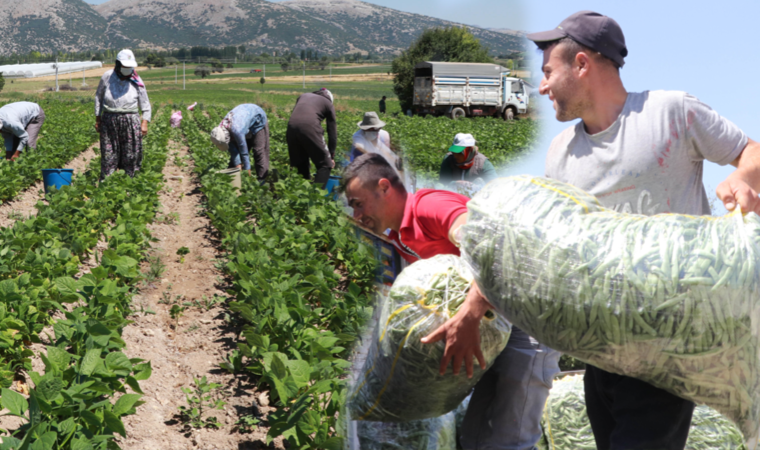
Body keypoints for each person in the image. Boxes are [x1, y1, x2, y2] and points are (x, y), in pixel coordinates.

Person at [529, 10, 760, 450]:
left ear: (581, 64)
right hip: (600, 348)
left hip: (666, 341)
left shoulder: (670, 112)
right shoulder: (560, 152)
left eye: (547, 72)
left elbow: (751, 151)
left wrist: (743, 181)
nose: (542, 86)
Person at [343, 153, 560, 450]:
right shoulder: (401, 236)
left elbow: (491, 246)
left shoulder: (429, 207)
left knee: (511, 435)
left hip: (527, 316)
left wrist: (469, 316)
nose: (357, 215)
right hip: (495, 325)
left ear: (384, 187)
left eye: (358, 204)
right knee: (474, 438)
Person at [94, 49, 151, 180]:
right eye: (125, 65)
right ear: (118, 64)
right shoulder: (107, 76)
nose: (127, 68)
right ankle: (108, 184)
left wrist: (144, 122)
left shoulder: (136, 80)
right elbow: (99, 98)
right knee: (109, 155)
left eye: (129, 66)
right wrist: (98, 119)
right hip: (109, 121)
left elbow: (145, 102)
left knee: (131, 155)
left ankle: (129, 183)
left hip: (130, 120)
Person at [286, 88, 336, 187]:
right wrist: (331, 156)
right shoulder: (328, 103)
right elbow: (332, 132)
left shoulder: (303, 96)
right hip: (310, 126)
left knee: (300, 163)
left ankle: (301, 192)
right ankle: (315, 197)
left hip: (291, 127)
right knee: (325, 165)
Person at [209, 104, 270, 182]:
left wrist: (248, 171)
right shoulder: (220, 130)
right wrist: (238, 166)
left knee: (258, 151)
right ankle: (230, 180)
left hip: (257, 118)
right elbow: (233, 150)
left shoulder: (237, 130)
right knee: (236, 158)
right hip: (244, 122)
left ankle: (262, 180)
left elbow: (244, 152)